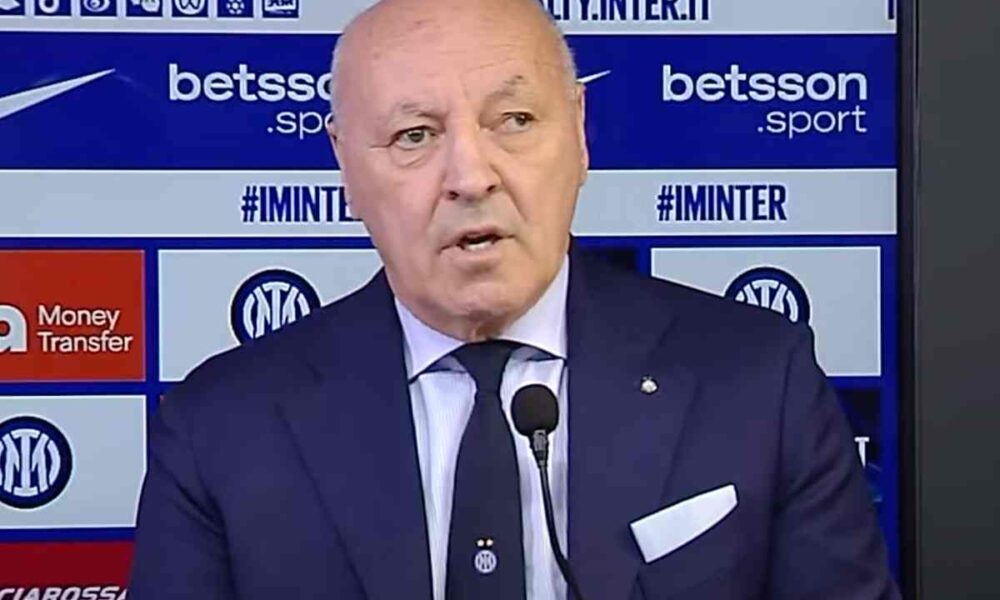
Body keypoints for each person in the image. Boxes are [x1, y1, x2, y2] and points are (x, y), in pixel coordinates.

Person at [128, 0, 900, 597]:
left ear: (581, 136)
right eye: (414, 136)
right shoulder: (221, 425)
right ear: (345, 170)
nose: (472, 176)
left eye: (516, 120)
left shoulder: (759, 380)